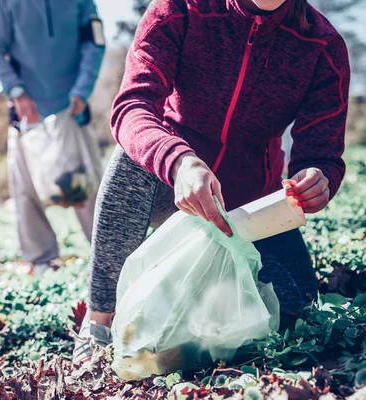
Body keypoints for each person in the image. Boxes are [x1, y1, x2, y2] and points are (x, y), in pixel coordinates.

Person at [73, 0, 350, 364]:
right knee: (130, 162)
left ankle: (191, 298)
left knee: (297, 312)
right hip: (175, 190)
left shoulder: (322, 45)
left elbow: (322, 154)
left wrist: (320, 177)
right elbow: (132, 106)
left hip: (252, 212)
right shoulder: (179, 9)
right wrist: (180, 161)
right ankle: (101, 320)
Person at [0, 0, 106, 275]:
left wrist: (81, 91)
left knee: (89, 189)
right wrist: (16, 92)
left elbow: (94, 44)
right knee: (25, 190)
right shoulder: (5, 4)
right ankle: (41, 260)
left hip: (72, 110)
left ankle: (109, 257)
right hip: (28, 115)